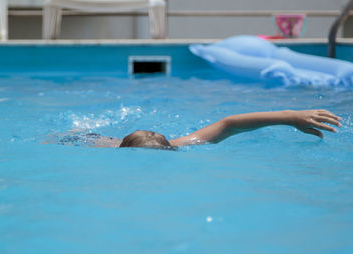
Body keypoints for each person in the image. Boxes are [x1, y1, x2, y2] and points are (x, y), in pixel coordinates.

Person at [53, 109, 342, 148]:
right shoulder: (107, 149)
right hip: (93, 138)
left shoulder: (180, 145)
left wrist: (292, 117)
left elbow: (228, 123)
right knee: (77, 134)